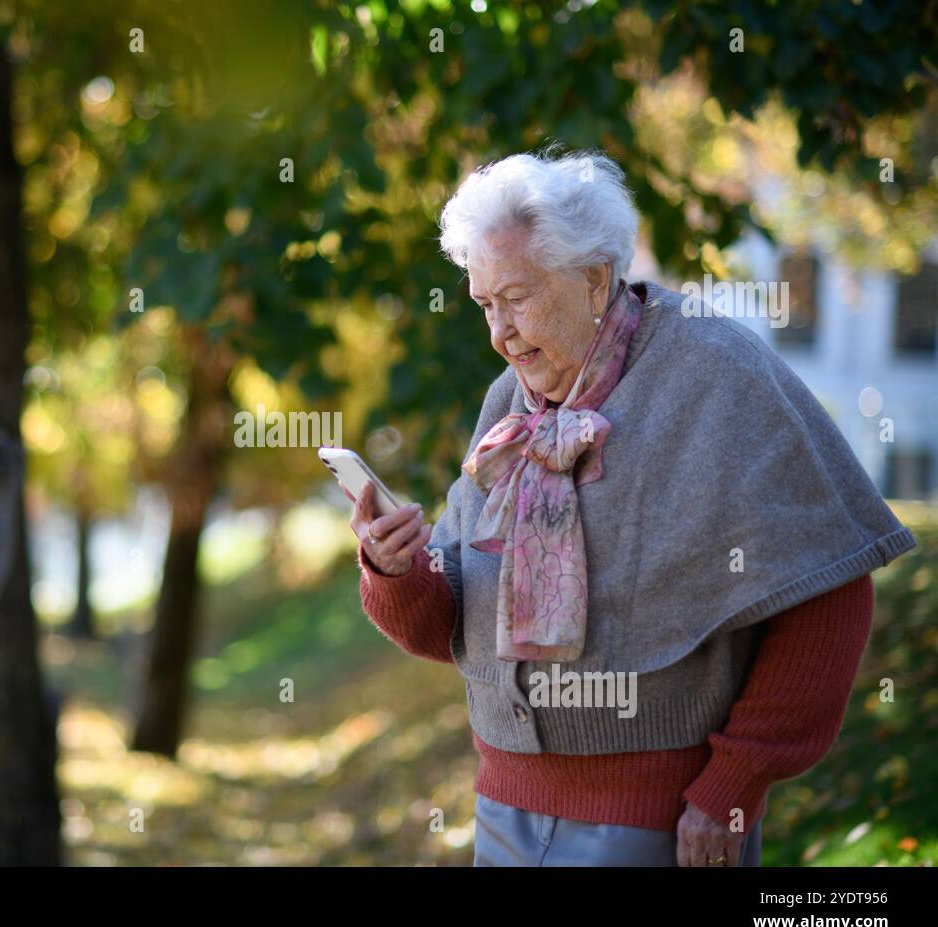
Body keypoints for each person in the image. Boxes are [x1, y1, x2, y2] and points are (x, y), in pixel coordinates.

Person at [346, 147, 916, 866]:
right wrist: (393, 570)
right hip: (503, 812)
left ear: (594, 279)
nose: (500, 333)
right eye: (485, 305)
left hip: (659, 827)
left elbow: (828, 591)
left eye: (517, 297)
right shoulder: (508, 405)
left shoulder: (716, 374)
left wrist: (731, 790)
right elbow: (450, 627)